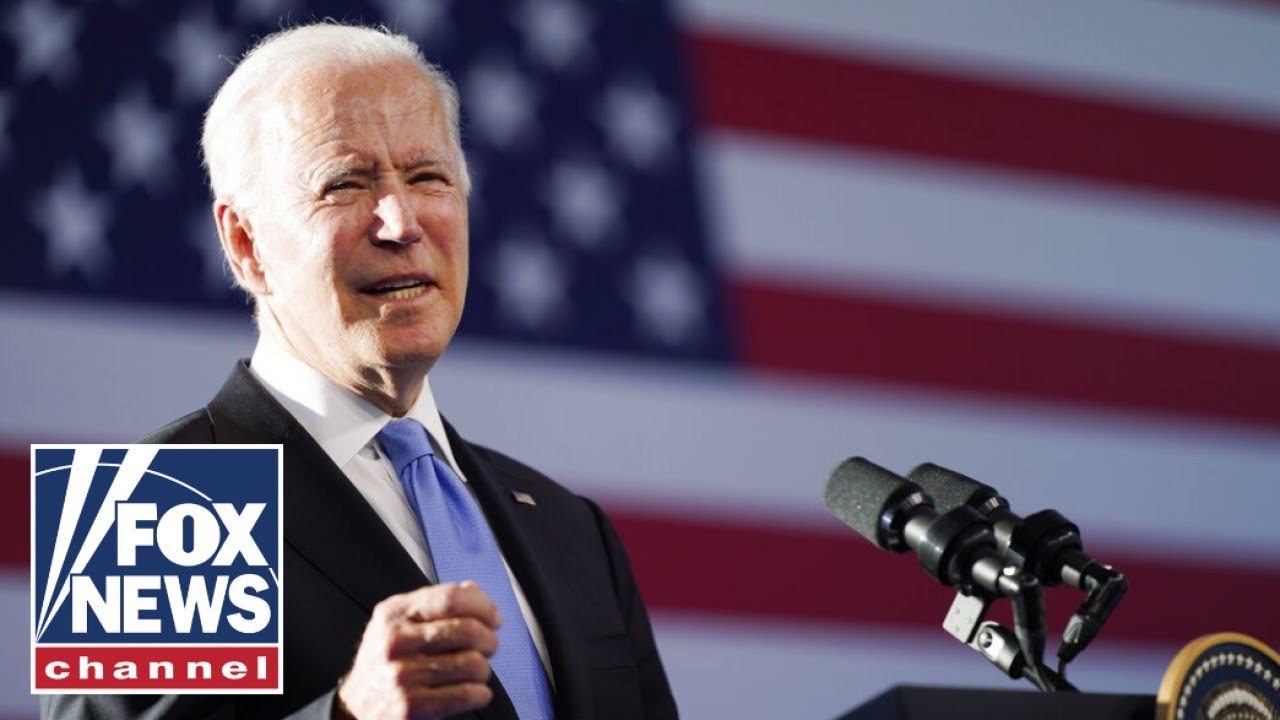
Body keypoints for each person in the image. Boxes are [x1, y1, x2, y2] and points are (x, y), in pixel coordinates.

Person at [41, 22, 678, 720]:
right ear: (245, 243)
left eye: (428, 176)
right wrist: (346, 715)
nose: (401, 221)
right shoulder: (160, 503)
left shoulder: (569, 525)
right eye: (344, 184)